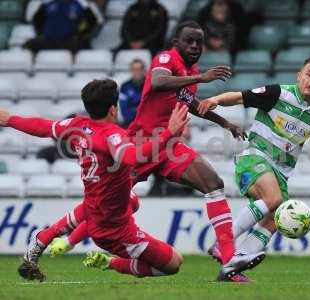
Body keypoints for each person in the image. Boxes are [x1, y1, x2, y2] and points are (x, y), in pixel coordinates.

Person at [0, 79, 188, 281]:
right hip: (116, 231)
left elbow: (44, 127)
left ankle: (44, 237)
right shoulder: (113, 135)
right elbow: (132, 158)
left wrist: (10, 119)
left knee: (132, 200)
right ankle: (110, 262)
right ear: (113, 109)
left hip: (97, 207)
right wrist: (169, 134)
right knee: (174, 263)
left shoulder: (77, 125)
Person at [126, 20, 264, 282]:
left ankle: (229, 264)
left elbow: (188, 102)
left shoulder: (190, 70)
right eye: (189, 40)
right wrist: (202, 77)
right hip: (141, 144)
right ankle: (50, 242)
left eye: (199, 42)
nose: (194, 46)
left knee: (214, 183)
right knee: (108, 202)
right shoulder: (166, 58)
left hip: (169, 147)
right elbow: (158, 82)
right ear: (176, 42)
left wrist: (225, 123)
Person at [197, 58, 310, 275]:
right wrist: (215, 99)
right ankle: (223, 242)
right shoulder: (278, 93)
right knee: (275, 200)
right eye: (309, 74)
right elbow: (238, 97)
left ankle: (235, 263)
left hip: (281, 172)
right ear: (299, 75)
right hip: (254, 159)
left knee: (277, 216)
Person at [24, 0, 103, 53]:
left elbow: (93, 21)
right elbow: (37, 19)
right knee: (29, 44)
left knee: (78, 45)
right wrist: (41, 34)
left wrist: (80, 35)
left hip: (68, 41)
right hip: (48, 40)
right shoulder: (48, 4)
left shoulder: (81, 4)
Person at [119, 59, 146, 127]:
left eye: (139, 69)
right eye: (134, 69)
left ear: (143, 71)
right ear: (131, 71)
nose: (136, 72)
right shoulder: (124, 86)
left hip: (147, 122)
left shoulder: (149, 85)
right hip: (129, 122)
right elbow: (124, 110)